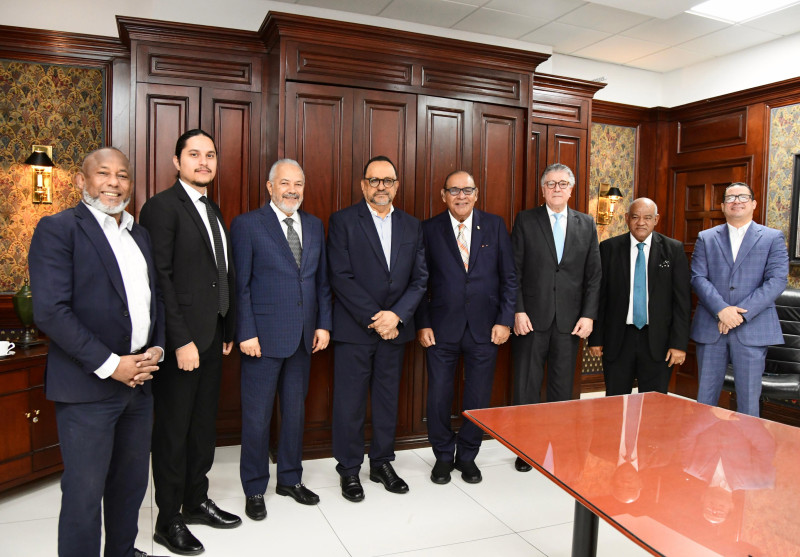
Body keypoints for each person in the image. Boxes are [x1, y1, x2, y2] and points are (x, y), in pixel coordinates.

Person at [28, 148, 165, 557]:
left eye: (122, 175)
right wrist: (112, 365)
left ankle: (122, 552)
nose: (114, 182)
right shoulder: (57, 229)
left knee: (130, 486)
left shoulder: (139, 234)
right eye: (103, 173)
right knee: (85, 493)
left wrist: (155, 347)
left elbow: (150, 301)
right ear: (80, 182)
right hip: (87, 389)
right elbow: (50, 311)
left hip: (139, 384)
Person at [140, 129, 241, 555]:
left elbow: (220, 272)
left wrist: (227, 329)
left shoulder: (211, 208)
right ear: (177, 161)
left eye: (210, 155)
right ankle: (168, 520)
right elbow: (159, 279)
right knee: (174, 432)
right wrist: (179, 340)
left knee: (202, 429)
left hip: (212, 336)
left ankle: (196, 500)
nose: (204, 162)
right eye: (194, 154)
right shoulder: (161, 208)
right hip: (182, 342)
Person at [231, 159, 332, 520]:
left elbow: (321, 282)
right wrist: (246, 332)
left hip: (304, 338)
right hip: (261, 339)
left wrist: (324, 324)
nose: (293, 190)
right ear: (269, 186)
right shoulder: (247, 225)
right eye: (285, 183)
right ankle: (254, 487)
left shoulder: (316, 226)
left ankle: (290, 479)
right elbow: (239, 284)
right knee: (257, 418)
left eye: (299, 184)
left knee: (294, 413)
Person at [327, 155, 428, 502]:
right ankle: (350, 470)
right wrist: (377, 317)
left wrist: (396, 316)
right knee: (349, 404)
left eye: (388, 180)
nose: (381, 186)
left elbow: (420, 279)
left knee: (387, 401)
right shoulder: (342, 221)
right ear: (363, 185)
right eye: (374, 180)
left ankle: (382, 462)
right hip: (355, 330)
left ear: (397, 186)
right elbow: (340, 276)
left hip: (395, 331)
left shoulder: (413, 226)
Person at [415, 170, 516, 484]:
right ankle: (443, 456)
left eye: (467, 190)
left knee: (478, 397)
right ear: (443, 195)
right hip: (441, 330)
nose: (461, 196)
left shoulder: (495, 226)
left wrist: (505, 320)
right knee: (439, 396)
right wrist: (423, 323)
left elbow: (509, 279)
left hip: (486, 330)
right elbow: (418, 281)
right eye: (454, 190)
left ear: (476, 194)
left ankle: (468, 456)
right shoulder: (428, 229)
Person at [511, 163, 601, 472]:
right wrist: (518, 310)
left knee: (563, 390)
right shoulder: (526, 220)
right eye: (551, 183)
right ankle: (526, 449)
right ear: (543, 188)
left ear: (572, 189)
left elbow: (593, 276)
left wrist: (589, 316)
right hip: (531, 320)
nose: (557, 188)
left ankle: (559, 446)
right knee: (527, 387)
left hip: (570, 321)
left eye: (563, 183)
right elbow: (515, 272)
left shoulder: (587, 224)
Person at [690, 182, 788, 417]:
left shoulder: (772, 238)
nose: (737, 201)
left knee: (748, 401)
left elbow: (776, 281)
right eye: (731, 198)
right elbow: (697, 277)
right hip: (712, 327)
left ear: (753, 204)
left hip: (753, 329)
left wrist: (737, 315)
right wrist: (722, 310)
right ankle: (704, 453)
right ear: (723, 206)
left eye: (743, 197)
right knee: (705, 399)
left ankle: (746, 454)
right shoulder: (706, 237)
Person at [588, 198, 690, 395]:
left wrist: (678, 344)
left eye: (647, 217)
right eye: (635, 217)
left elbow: (682, 302)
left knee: (654, 405)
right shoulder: (609, 248)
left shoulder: (673, 250)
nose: (641, 222)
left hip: (658, 341)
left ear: (656, 220)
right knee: (615, 402)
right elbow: (600, 298)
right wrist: (595, 338)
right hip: (618, 339)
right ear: (627, 219)